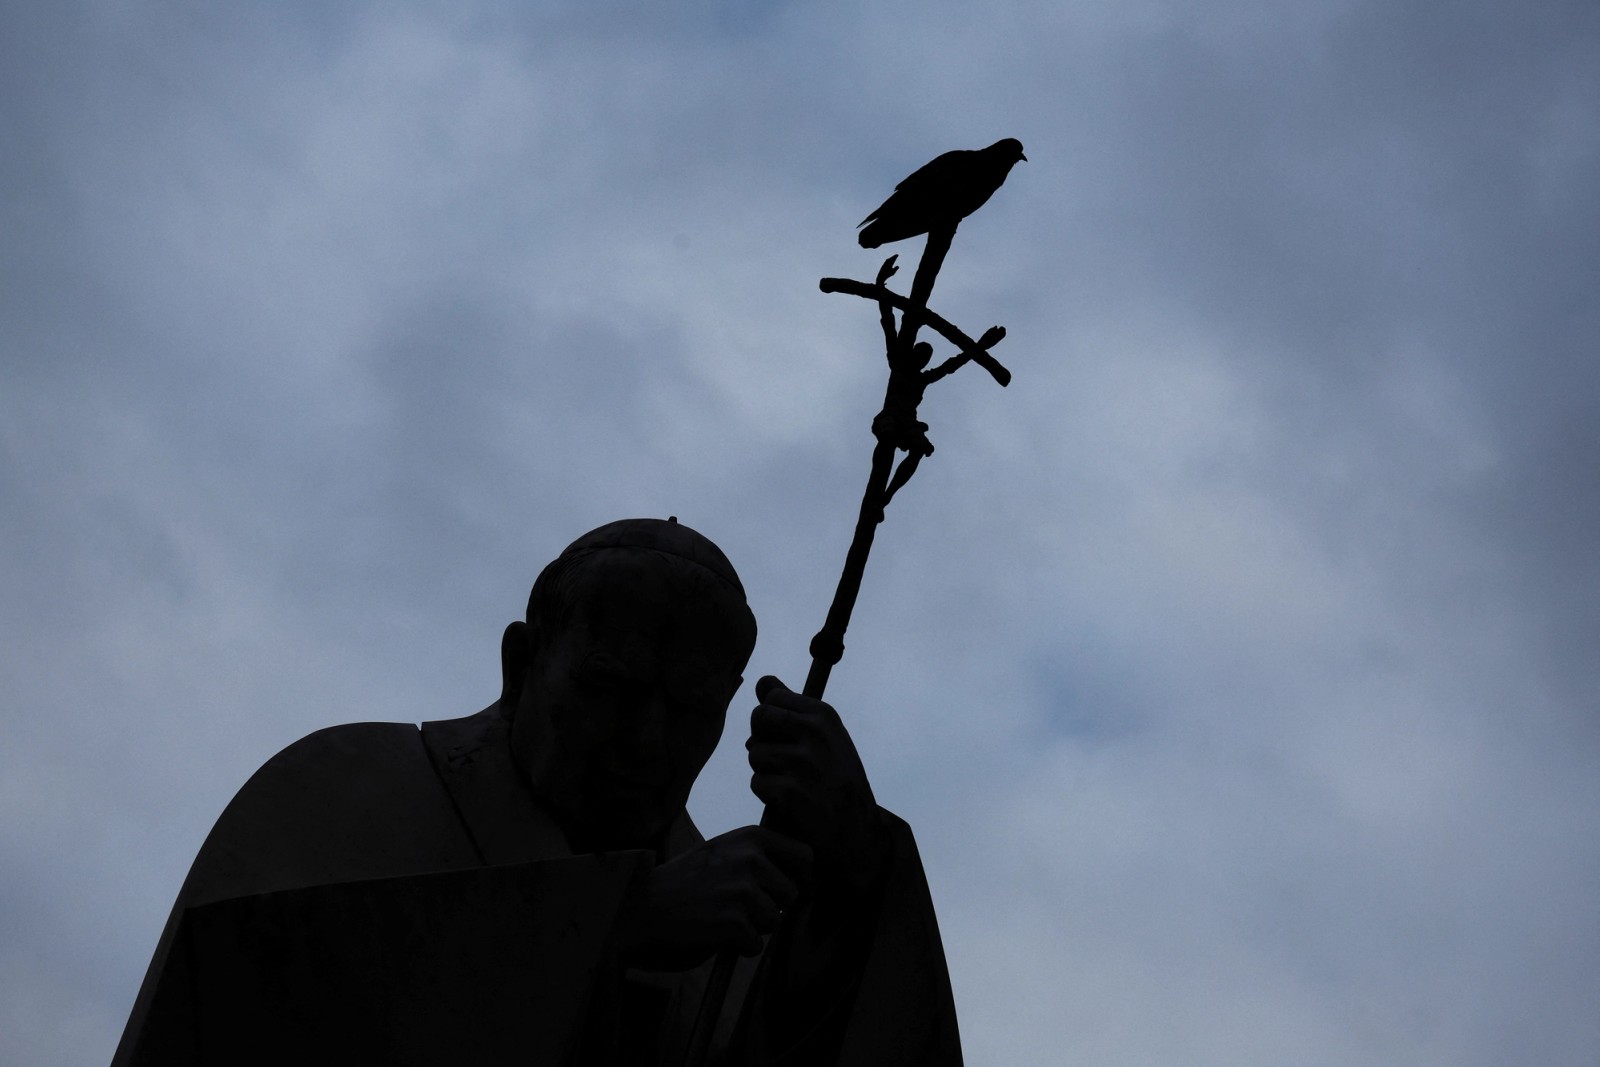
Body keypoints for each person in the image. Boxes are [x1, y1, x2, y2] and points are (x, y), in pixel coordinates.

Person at [113, 518, 962, 1065]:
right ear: (522, 664)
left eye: (690, 706)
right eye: (610, 687)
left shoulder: (731, 928)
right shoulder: (344, 788)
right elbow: (245, 1007)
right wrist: (614, 924)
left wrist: (855, 878)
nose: (649, 739)